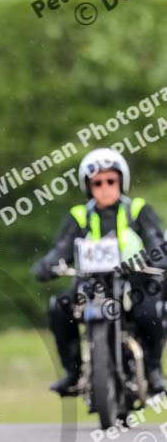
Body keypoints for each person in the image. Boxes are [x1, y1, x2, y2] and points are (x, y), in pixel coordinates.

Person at [32, 148, 167, 396]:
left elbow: (156, 242)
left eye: (110, 181)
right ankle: (73, 372)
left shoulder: (138, 210)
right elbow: (61, 248)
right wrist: (48, 264)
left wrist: (156, 259)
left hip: (134, 281)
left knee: (150, 311)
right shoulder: (79, 215)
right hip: (92, 283)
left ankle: (153, 370)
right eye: (98, 182)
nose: (105, 187)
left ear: (121, 181)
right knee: (59, 307)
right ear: (89, 186)